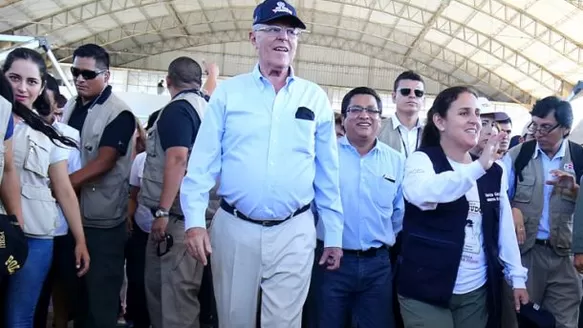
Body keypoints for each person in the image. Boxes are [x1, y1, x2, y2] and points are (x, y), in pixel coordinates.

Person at [179, 0, 344, 327]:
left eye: (290, 31)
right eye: (273, 29)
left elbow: (328, 172)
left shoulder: (314, 98)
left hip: (294, 230)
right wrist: (194, 221)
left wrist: (334, 232)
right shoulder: (230, 94)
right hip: (235, 228)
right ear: (253, 38)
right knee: (233, 319)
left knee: (283, 323)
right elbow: (202, 163)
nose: (283, 38)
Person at [397, 86, 528, 328]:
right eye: (464, 113)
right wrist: (479, 167)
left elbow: (504, 229)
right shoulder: (422, 160)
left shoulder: (494, 171)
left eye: (477, 113)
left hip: (475, 291)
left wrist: (517, 277)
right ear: (439, 121)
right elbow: (423, 193)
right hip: (424, 287)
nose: (475, 121)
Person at [2, 47, 90, 327]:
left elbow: (63, 188)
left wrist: (80, 239)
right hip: (2, 231)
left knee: (20, 316)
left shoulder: (49, 133)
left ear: (41, 88)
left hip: (36, 237)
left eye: (31, 82)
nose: (22, 88)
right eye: (14, 78)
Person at [311, 87, 404, 328]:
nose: (365, 115)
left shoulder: (396, 161)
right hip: (330, 263)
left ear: (380, 120)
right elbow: (312, 207)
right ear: (343, 118)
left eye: (372, 110)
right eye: (356, 110)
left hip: (378, 266)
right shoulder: (325, 155)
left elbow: (399, 213)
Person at [61, 43, 136, 328]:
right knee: (76, 295)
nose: (80, 79)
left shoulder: (119, 113)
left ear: (106, 75)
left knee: (100, 297)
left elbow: (104, 162)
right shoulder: (71, 105)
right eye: (75, 72)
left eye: (88, 74)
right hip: (71, 215)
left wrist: (62, 186)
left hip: (101, 222)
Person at [504, 96, 583, 328]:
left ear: (566, 129)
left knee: (565, 323)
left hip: (566, 259)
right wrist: (513, 209)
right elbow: (496, 200)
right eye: (535, 126)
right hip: (526, 256)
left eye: (546, 127)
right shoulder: (518, 156)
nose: (538, 133)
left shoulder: (579, 160)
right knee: (520, 320)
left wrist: (578, 192)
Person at [141, 56, 208, 328]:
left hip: (177, 220)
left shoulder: (177, 110)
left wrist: (162, 211)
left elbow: (178, 159)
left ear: (167, 81)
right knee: (171, 297)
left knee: (174, 302)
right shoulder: (205, 107)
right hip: (190, 218)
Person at [34, 74, 82, 328]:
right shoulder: (14, 129)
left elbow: (69, 185)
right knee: (31, 295)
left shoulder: (69, 136)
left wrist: (80, 238)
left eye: (45, 104)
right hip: (26, 226)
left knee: (61, 286)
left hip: (60, 227)